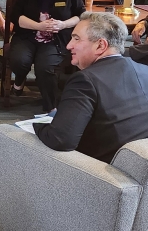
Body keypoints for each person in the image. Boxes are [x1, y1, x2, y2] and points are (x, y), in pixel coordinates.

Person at [34, 12, 148, 163]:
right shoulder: (144, 70)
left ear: (101, 45)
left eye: (76, 38)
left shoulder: (85, 81)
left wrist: (36, 128)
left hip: (100, 173)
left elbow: (60, 140)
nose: (69, 45)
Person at [7, 0, 85, 112]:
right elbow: (15, 17)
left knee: (45, 68)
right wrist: (38, 26)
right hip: (27, 36)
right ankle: (20, 78)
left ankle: (51, 108)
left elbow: (81, 15)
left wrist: (63, 24)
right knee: (19, 60)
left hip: (55, 40)